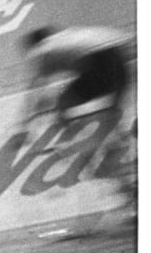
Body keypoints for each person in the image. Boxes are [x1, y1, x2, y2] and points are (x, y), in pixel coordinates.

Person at [18, 24, 135, 204]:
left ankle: (76, 139)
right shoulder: (70, 36)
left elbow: (36, 91)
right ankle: (118, 150)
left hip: (101, 61)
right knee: (112, 112)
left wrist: (24, 126)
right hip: (121, 59)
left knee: (64, 101)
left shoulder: (43, 48)